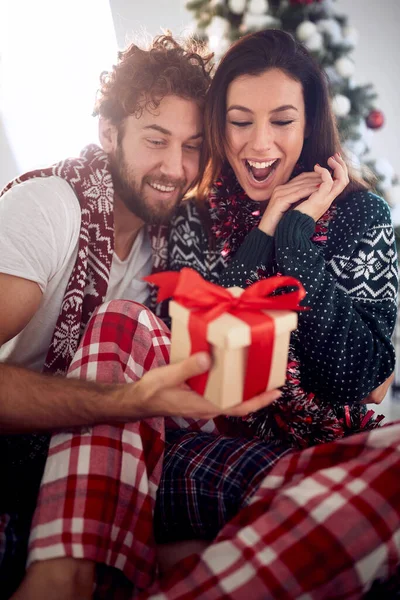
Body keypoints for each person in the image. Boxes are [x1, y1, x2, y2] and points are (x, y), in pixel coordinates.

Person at [12, 29, 398, 599]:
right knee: (124, 321)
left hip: (309, 445)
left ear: (310, 122)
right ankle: (61, 578)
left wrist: (296, 239)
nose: (258, 142)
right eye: (240, 120)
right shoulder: (192, 220)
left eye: (282, 120)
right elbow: (208, 357)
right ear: (221, 126)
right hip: (203, 436)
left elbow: (362, 380)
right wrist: (268, 228)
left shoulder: (362, 216)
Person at [0, 34, 282, 598]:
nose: (175, 168)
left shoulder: (166, 242)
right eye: (156, 140)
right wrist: (132, 400)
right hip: (20, 451)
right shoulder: (52, 210)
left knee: (216, 538)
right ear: (109, 133)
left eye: (192, 147)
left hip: (92, 447)